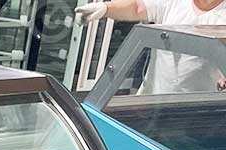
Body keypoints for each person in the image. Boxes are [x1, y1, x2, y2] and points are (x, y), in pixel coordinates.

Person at [74, 0, 226, 93]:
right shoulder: (174, 2)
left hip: (196, 110)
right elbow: (137, 7)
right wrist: (105, 8)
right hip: (151, 101)